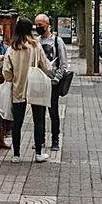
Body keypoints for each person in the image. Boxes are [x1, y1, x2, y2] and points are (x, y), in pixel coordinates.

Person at [3, 17, 56, 163]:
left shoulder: (12, 48)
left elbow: (6, 72)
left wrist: (13, 78)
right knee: (38, 120)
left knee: (17, 122)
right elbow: (46, 66)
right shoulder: (36, 45)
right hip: (36, 87)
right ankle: (39, 153)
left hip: (18, 88)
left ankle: (16, 155)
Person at [36, 13, 70, 151]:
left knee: (53, 113)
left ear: (47, 25)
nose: (38, 27)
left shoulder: (57, 41)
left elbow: (63, 62)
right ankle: (40, 139)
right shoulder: (36, 41)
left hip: (52, 83)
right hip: (39, 82)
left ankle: (55, 139)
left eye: (40, 25)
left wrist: (57, 78)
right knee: (39, 113)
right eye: (36, 25)